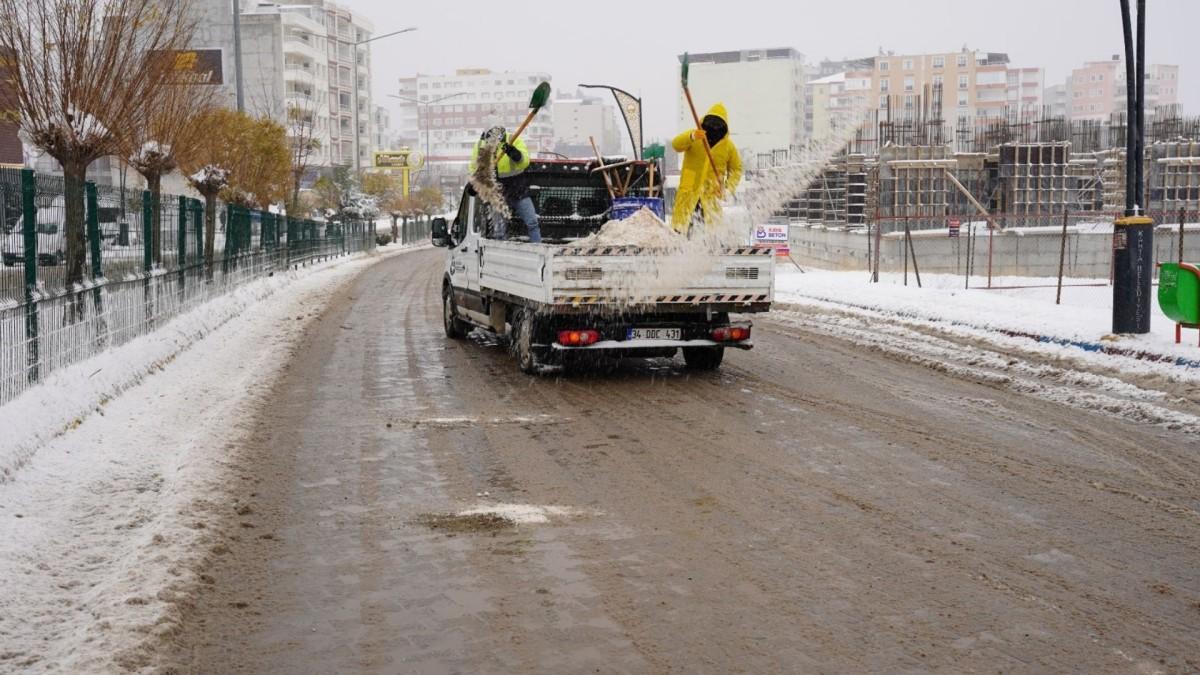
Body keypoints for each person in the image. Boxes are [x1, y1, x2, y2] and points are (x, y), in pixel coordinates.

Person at [670, 103, 743, 235]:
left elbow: (737, 169)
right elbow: (675, 145)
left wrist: (728, 188)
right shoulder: (695, 137)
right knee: (681, 232)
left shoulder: (728, 147)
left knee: (708, 234)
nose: (714, 127)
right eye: (711, 123)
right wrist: (691, 136)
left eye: (718, 124)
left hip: (710, 196)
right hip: (689, 193)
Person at [469, 126, 542, 243]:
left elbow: (525, 161)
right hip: (496, 194)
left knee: (532, 222)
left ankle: (538, 248)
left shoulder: (513, 139)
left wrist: (515, 154)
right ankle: (502, 252)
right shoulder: (480, 145)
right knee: (499, 228)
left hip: (518, 189)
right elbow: (474, 168)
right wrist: (475, 184)